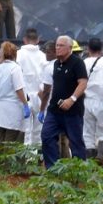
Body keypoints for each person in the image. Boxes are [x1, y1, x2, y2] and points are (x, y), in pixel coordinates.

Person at [39, 35, 88, 168]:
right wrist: (42, 109)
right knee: (47, 136)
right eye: (56, 45)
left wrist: (71, 99)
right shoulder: (55, 64)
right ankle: (53, 168)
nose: (57, 48)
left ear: (69, 48)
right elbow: (48, 88)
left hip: (72, 111)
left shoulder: (77, 63)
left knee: (75, 142)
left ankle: (80, 171)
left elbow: (83, 83)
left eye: (61, 46)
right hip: (54, 110)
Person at [0, 42, 30, 142]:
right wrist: (25, 104)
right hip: (13, 109)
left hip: (1, 109)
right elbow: (19, 89)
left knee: (1, 139)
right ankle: (6, 158)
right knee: (10, 142)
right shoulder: (15, 68)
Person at [16, 28, 46, 145]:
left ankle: (27, 159)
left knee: (26, 131)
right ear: (38, 40)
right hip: (40, 96)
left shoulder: (18, 55)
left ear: (24, 40)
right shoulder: (43, 56)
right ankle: (38, 158)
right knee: (39, 131)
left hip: (24, 97)